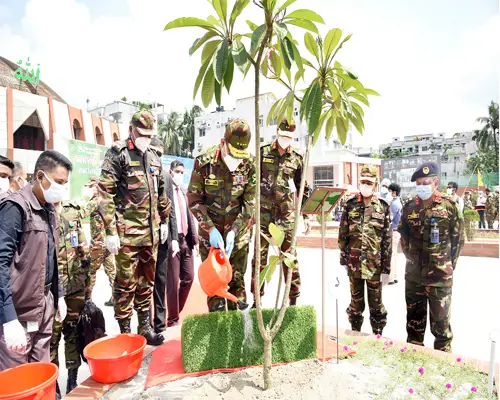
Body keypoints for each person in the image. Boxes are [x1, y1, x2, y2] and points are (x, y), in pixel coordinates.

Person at [98, 110, 171, 345]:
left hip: (150, 234)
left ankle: (145, 327)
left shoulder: (153, 157)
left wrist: (165, 220)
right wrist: (110, 230)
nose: (146, 139)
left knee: (146, 283)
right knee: (125, 284)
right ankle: (126, 331)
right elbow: (105, 192)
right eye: (143, 134)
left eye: (150, 135)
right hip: (126, 235)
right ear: (132, 129)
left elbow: (161, 193)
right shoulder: (117, 153)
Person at [0, 150, 70, 371]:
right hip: (19, 312)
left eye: (65, 183)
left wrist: (58, 295)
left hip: (43, 307)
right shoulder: (16, 207)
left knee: (41, 374)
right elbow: (1, 263)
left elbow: (51, 255)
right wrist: (8, 317)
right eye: (58, 181)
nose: (62, 187)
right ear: (41, 176)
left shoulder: (49, 211)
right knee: (17, 380)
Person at [188, 118, 256, 312]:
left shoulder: (250, 164)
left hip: (239, 238)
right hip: (211, 240)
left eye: (240, 155)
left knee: (237, 285)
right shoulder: (204, 162)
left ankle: (239, 336)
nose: (236, 160)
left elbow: (250, 203)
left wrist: (235, 230)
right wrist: (210, 229)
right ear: (223, 143)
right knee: (215, 290)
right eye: (233, 153)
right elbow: (194, 200)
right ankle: (218, 337)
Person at [398, 162, 464, 352]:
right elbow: (404, 237)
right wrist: (411, 259)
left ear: (435, 182)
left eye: (425, 182)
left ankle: (443, 367)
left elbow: (458, 240)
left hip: (440, 278)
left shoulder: (449, 206)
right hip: (414, 278)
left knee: (442, 329)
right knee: (413, 326)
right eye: (418, 183)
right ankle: (414, 364)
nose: (421, 186)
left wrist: (447, 265)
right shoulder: (409, 207)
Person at [251, 118, 309, 306]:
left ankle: (293, 298)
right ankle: (257, 299)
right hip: (264, 214)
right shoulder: (263, 152)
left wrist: (305, 215)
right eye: (283, 136)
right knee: (259, 257)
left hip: (286, 215)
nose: (286, 140)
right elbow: (252, 182)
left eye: (289, 137)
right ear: (277, 133)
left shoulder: (298, 157)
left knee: (290, 257)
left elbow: (302, 188)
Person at [338, 165, 392, 335]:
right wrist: (344, 260)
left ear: (375, 184)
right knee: (356, 304)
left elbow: (387, 240)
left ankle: (378, 335)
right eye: (363, 181)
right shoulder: (350, 205)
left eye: (369, 182)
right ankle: (355, 333)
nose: (365, 185)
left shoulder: (383, 207)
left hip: (374, 266)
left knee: (376, 305)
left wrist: (386, 268)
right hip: (354, 265)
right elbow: (343, 235)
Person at [50, 200, 90, 397]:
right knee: (52, 338)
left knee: (73, 333)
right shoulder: (41, 211)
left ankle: (72, 379)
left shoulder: (71, 212)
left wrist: (87, 283)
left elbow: (82, 247)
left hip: (75, 285)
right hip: (51, 290)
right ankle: (53, 383)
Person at [165, 160, 198, 327]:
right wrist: (171, 239)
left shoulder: (184, 193)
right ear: (171, 172)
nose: (180, 175)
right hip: (173, 240)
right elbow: (166, 217)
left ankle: (175, 310)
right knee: (173, 281)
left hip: (186, 241)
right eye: (177, 171)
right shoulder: (167, 192)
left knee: (189, 277)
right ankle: (173, 319)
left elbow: (189, 215)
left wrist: (195, 240)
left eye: (182, 172)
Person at [153, 159, 179, 333]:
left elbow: (172, 208)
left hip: (162, 236)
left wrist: (173, 235)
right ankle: (145, 323)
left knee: (161, 280)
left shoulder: (166, 177)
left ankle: (160, 323)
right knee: (145, 283)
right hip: (140, 236)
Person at [83, 177, 116, 306]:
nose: (88, 189)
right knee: (111, 271)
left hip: (98, 244)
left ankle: (88, 300)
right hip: (107, 243)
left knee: (91, 272)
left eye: (90, 187)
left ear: (96, 188)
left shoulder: (96, 201)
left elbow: (84, 212)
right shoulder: (107, 201)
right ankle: (116, 298)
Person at [386, 183, 403, 285]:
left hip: (393, 231)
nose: (389, 193)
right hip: (397, 231)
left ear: (394, 192)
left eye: (390, 191)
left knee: (391, 255)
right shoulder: (398, 202)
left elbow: (390, 219)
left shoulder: (394, 204)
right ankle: (395, 276)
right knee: (394, 254)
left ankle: (391, 278)